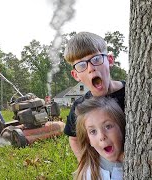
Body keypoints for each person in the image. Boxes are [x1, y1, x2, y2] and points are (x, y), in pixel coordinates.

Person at [63, 32, 125, 161]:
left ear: (109, 60)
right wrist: (86, 165)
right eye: (81, 65)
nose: (91, 68)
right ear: (76, 75)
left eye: (96, 59)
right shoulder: (80, 108)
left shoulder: (132, 93)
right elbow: (73, 138)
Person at [74, 97, 125, 180]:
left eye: (108, 126)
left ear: (121, 127)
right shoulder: (88, 173)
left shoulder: (139, 163)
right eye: (93, 131)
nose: (102, 136)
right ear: (88, 140)